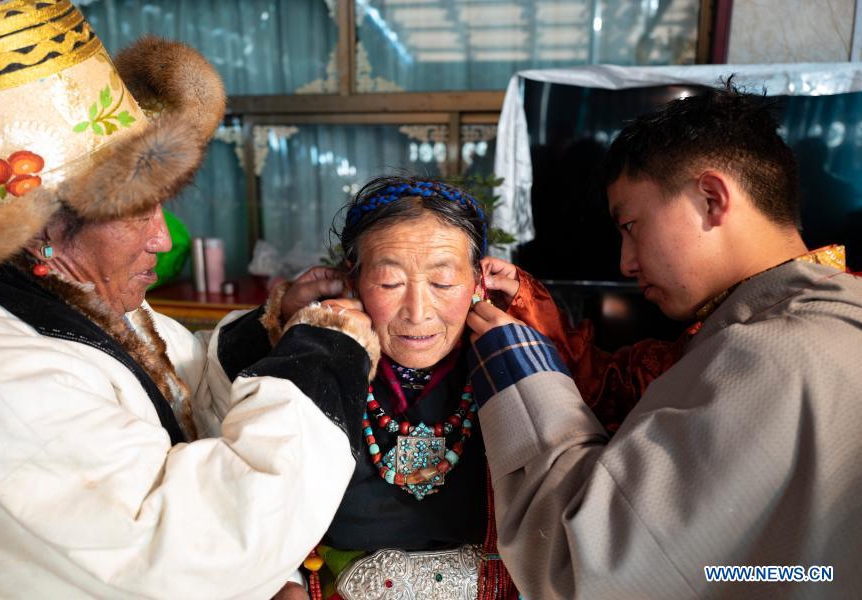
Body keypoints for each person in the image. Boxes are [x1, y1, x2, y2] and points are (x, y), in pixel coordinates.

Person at [0, 3, 375, 597]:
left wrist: (272, 333)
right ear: (40, 230)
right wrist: (320, 359)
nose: (161, 238)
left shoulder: (76, 295)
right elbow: (196, 547)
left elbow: (177, 391)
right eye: (134, 213)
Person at [464, 84, 862, 598]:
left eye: (631, 225)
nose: (626, 262)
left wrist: (518, 366)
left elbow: (590, 567)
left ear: (712, 198)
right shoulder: (825, 317)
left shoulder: (774, 355)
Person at [259, 175, 679, 599]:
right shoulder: (323, 363)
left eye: (442, 284)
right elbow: (251, 502)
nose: (418, 312)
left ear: (479, 281)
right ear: (353, 280)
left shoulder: (511, 364)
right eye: (389, 284)